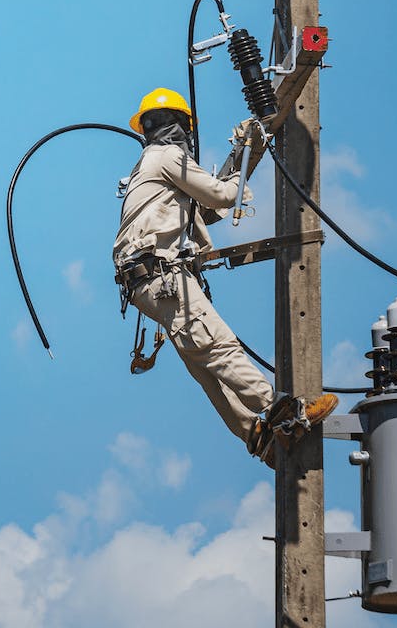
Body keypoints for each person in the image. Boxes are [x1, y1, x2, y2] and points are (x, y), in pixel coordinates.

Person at [112, 87, 336, 464]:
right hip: (161, 276)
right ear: (179, 126)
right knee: (218, 346)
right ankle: (281, 410)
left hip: (144, 282)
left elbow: (202, 210)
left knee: (203, 364)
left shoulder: (148, 167)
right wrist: (246, 155)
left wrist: (237, 156)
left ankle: (258, 434)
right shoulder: (166, 157)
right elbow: (219, 195)